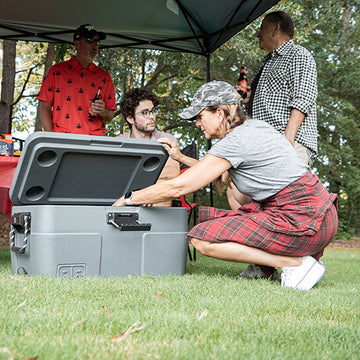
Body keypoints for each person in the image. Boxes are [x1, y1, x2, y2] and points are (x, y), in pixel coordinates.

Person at [113, 81, 338, 291]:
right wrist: (180, 157)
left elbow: (179, 187)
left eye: (200, 117)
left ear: (219, 113)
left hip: (303, 220)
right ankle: (264, 267)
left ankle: (295, 264)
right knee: (234, 195)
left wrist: (129, 198)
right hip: (319, 213)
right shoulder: (254, 128)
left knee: (202, 239)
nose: (198, 124)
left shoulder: (235, 141)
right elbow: (215, 173)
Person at [235, 11, 319, 279]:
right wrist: (248, 98)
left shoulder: (299, 56)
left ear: (276, 27)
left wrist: (287, 141)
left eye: (261, 28)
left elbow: (303, 97)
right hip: (266, 145)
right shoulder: (265, 62)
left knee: (291, 210)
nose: (257, 34)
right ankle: (264, 267)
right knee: (261, 205)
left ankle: (299, 268)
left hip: (287, 143)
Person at [37, 24, 116, 135]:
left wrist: (102, 111)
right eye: (89, 40)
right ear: (77, 44)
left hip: (94, 140)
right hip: (62, 137)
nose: (94, 46)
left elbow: (110, 115)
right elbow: (44, 106)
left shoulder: (104, 77)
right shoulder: (56, 71)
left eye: (97, 42)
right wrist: (51, 136)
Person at [118, 88, 180, 206]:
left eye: (152, 111)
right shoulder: (119, 142)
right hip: (124, 199)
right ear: (130, 118)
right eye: (145, 112)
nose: (152, 117)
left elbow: (171, 174)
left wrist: (148, 194)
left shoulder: (166, 140)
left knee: (165, 190)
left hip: (158, 199)